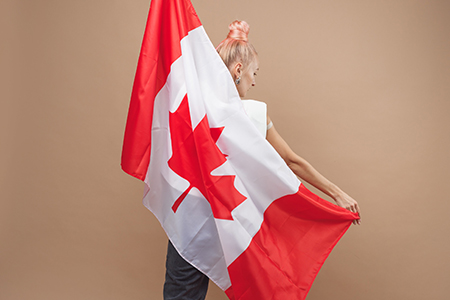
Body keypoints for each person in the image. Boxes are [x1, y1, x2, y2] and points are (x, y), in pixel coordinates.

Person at [163, 20, 361, 300]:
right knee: (262, 286)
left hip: (192, 217)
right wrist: (337, 194)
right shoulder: (256, 113)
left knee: (181, 293)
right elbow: (292, 162)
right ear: (239, 70)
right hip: (239, 220)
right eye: (254, 73)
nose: (254, 81)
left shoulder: (194, 110)